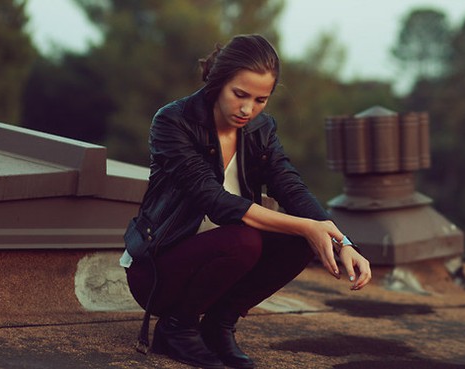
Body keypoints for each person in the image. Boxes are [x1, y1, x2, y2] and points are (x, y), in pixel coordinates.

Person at [121, 34, 371, 369]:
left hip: (222, 262)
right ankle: (177, 328)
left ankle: (217, 325)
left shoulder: (260, 130)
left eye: (260, 100)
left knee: (299, 242)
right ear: (218, 82)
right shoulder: (173, 121)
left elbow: (290, 187)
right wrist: (310, 227)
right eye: (239, 95)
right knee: (245, 239)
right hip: (158, 270)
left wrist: (342, 242)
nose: (247, 109)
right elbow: (215, 201)